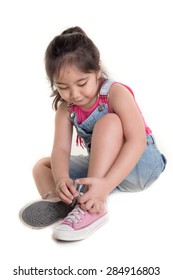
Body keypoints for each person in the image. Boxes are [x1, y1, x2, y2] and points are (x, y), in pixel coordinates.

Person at [20, 26, 166, 241]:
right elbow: (60, 149)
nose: (74, 94)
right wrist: (61, 180)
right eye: (63, 87)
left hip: (139, 166)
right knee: (43, 166)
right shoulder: (65, 109)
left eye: (81, 83)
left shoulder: (115, 93)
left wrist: (105, 186)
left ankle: (94, 206)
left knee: (109, 122)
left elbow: (137, 141)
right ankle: (63, 201)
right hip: (102, 170)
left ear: (97, 70)